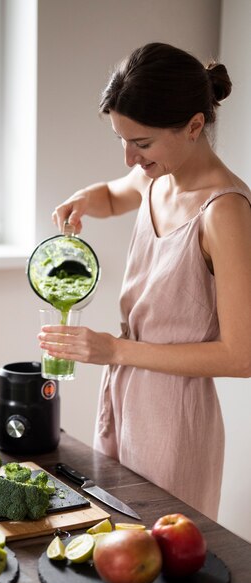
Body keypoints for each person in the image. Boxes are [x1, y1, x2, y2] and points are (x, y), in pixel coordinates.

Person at [38, 42, 251, 520]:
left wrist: (113, 350)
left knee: (158, 561)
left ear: (195, 125)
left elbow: (242, 356)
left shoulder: (225, 213)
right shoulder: (158, 177)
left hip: (174, 420)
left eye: (142, 143)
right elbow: (116, 195)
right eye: (121, 138)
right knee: (113, 540)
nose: (130, 158)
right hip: (122, 395)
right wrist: (84, 199)